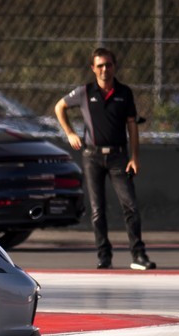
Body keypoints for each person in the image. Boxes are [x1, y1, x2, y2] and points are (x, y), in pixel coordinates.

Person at [55, 48, 155, 270]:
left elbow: (132, 126)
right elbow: (59, 106)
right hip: (92, 157)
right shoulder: (84, 92)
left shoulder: (124, 93)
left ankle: (138, 255)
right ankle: (104, 256)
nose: (104, 70)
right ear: (93, 68)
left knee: (130, 205)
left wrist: (135, 157)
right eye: (99, 66)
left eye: (108, 65)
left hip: (119, 157)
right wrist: (69, 132)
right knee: (97, 209)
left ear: (114, 66)